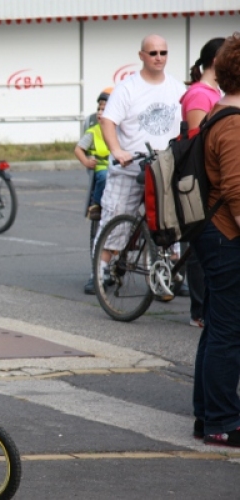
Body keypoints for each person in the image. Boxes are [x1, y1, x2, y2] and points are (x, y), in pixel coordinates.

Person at [94, 34, 185, 296]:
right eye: (153, 53)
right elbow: (108, 121)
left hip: (164, 166)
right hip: (131, 165)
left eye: (163, 53)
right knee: (116, 220)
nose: (158, 57)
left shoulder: (177, 89)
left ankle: (169, 271)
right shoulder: (127, 88)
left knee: (170, 222)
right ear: (141, 56)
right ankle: (100, 272)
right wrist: (117, 150)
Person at [191, 33, 240, 447]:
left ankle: (206, 414)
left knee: (216, 329)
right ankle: (223, 422)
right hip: (227, 234)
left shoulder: (217, 112)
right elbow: (237, 191)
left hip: (211, 232)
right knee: (228, 331)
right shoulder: (235, 123)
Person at [180, 37, 224, 328]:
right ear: (217, 61)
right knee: (198, 247)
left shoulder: (215, 92)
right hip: (199, 179)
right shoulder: (199, 95)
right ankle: (199, 311)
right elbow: (197, 140)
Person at [78, 90, 111, 295]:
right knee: (100, 225)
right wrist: (87, 161)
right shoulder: (94, 129)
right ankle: (97, 272)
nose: (100, 111)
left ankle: (171, 272)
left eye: (105, 107)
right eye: (99, 107)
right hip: (105, 172)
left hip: (127, 170)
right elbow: (79, 149)